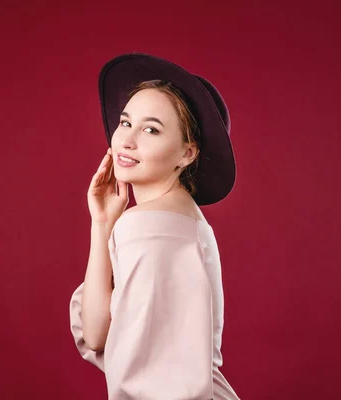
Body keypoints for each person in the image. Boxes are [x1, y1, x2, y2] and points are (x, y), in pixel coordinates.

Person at [69, 53, 241, 399]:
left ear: (187, 153)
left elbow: (96, 333)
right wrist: (103, 222)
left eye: (151, 129)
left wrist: (106, 228)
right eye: (125, 122)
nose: (127, 140)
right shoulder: (186, 218)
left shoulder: (144, 225)